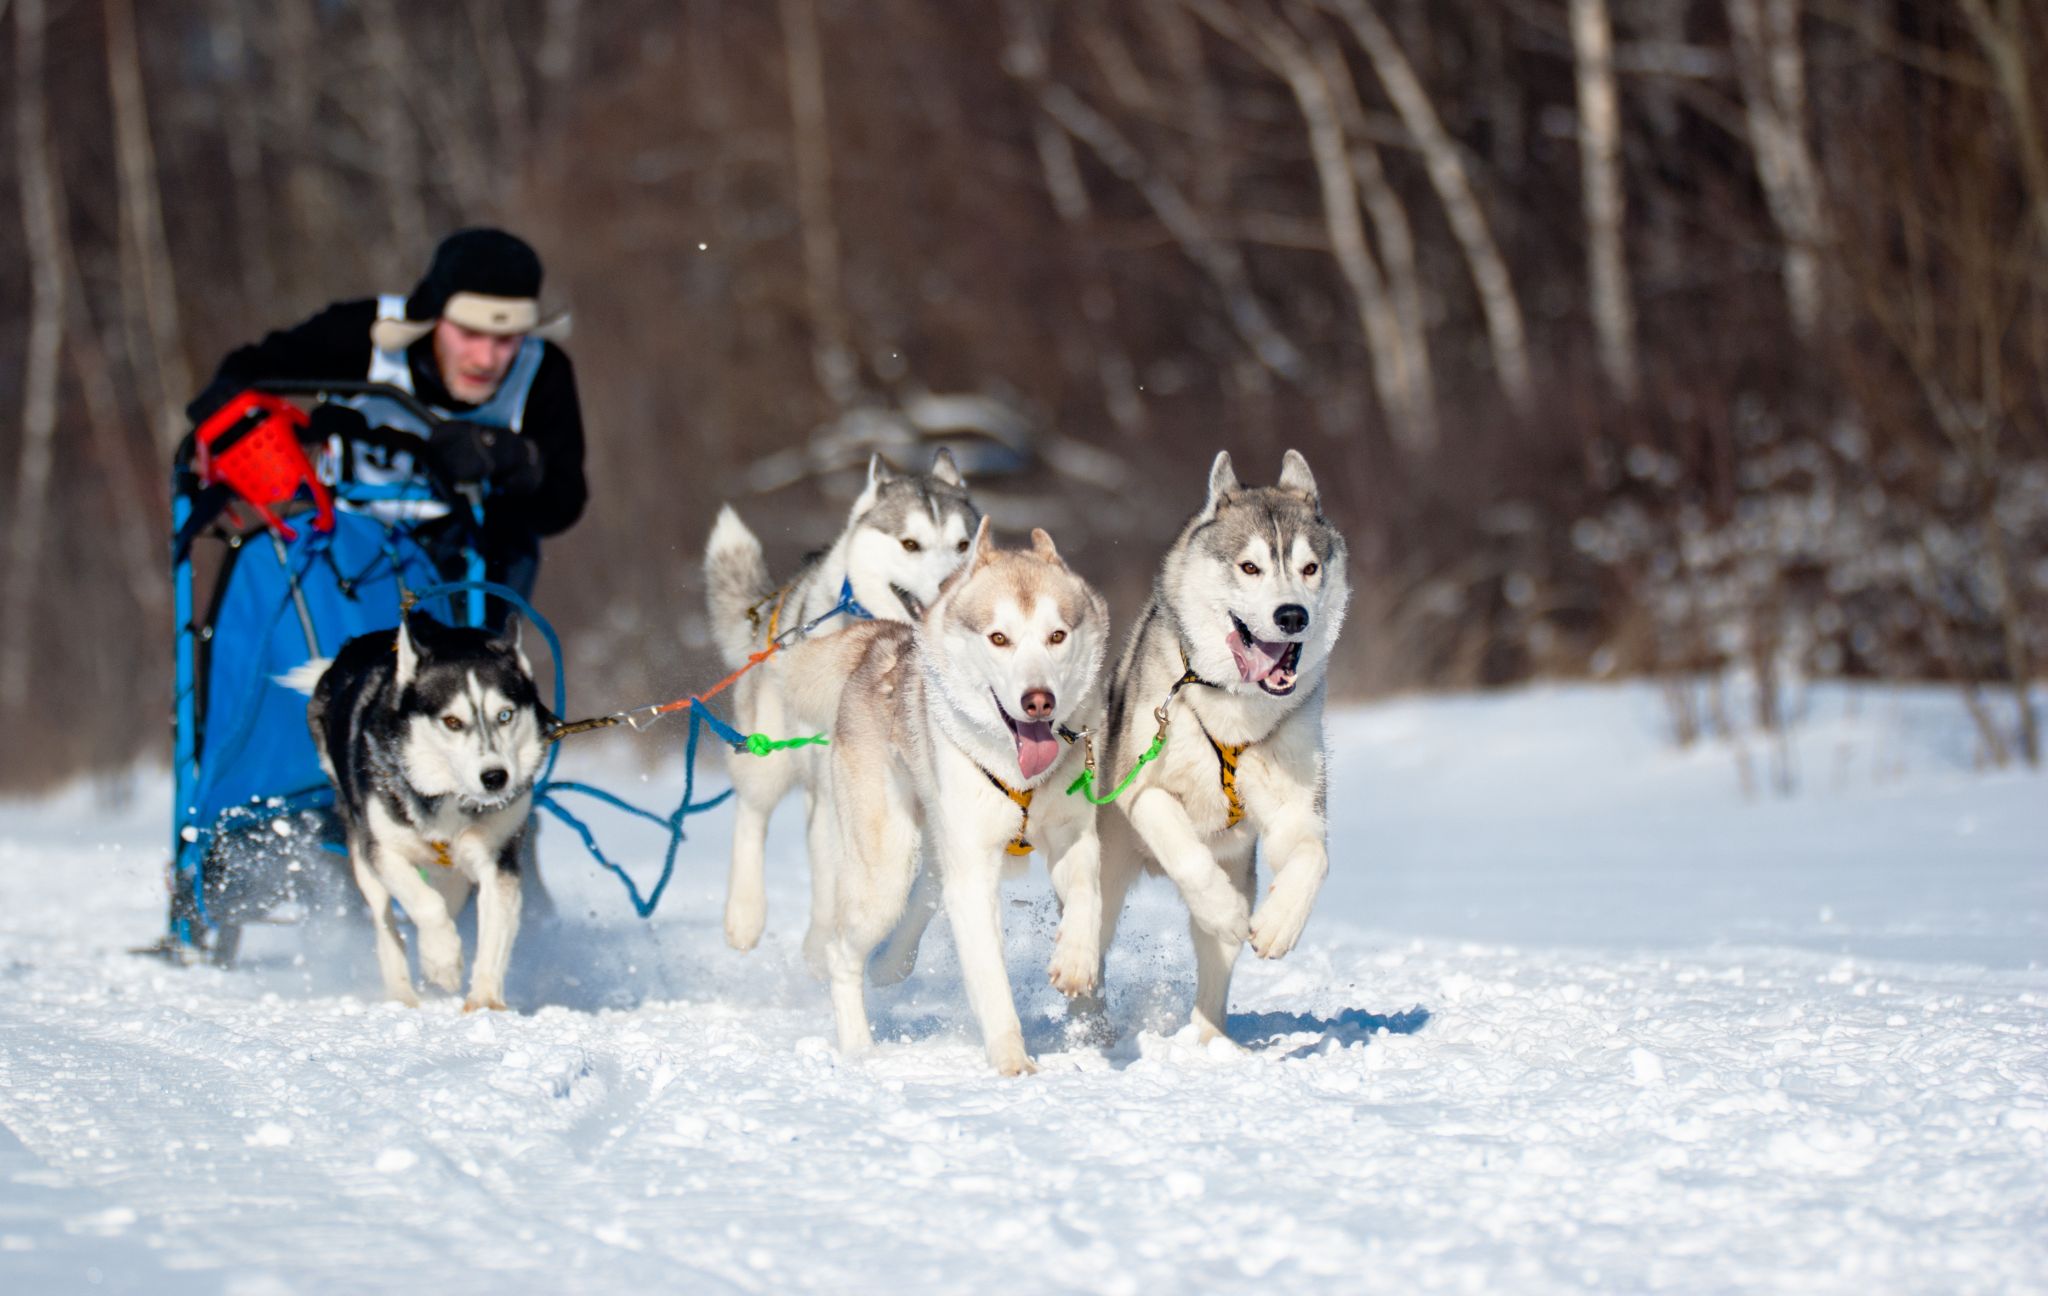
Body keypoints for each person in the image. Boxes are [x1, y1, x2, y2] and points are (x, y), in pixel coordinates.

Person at [188, 227, 588, 618]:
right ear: (435, 318)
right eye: (469, 334)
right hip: (348, 553)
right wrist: (234, 420)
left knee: (511, 547)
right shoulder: (363, 334)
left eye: (506, 339)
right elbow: (248, 370)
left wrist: (517, 458)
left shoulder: (541, 372)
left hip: (469, 565)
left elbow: (564, 503)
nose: (486, 359)